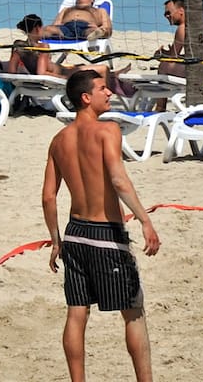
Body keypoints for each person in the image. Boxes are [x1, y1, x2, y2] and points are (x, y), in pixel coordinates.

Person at [44, 68, 162, 382]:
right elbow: (118, 179)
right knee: (134, 313)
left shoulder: (59, 140)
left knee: (77, 312)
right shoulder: (107, 130)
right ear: (86, 98)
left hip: (75, 234)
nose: (109, 93)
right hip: (105, 234)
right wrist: (145, 221)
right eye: (102, 89)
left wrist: (55, 240)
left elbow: (48, 198)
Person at [15, 0, 115, 75]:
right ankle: (31, 38)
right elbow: (56, 24)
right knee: (49, 28)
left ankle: (97, 33)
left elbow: (108, 27)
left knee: (95, 31)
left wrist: (100, 29)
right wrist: (54, 30)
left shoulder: (99, 11)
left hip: (86, 27)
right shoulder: (67, 10)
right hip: (65, 28)